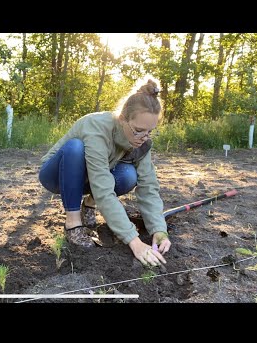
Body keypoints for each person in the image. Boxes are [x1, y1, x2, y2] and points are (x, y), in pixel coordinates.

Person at [38, 79, 171, 267]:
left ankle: (88, 206)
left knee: (128, 175)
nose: (144, 138)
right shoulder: (97, 127)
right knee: (75, 148)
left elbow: (148, 186)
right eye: (139, 130)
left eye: (150, 132)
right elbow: (102, 188)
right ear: (123, 119)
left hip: (90, 176)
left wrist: (159, 229)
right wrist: (134, 241)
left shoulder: (142, 142)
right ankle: (73, 223)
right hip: (57, 175)